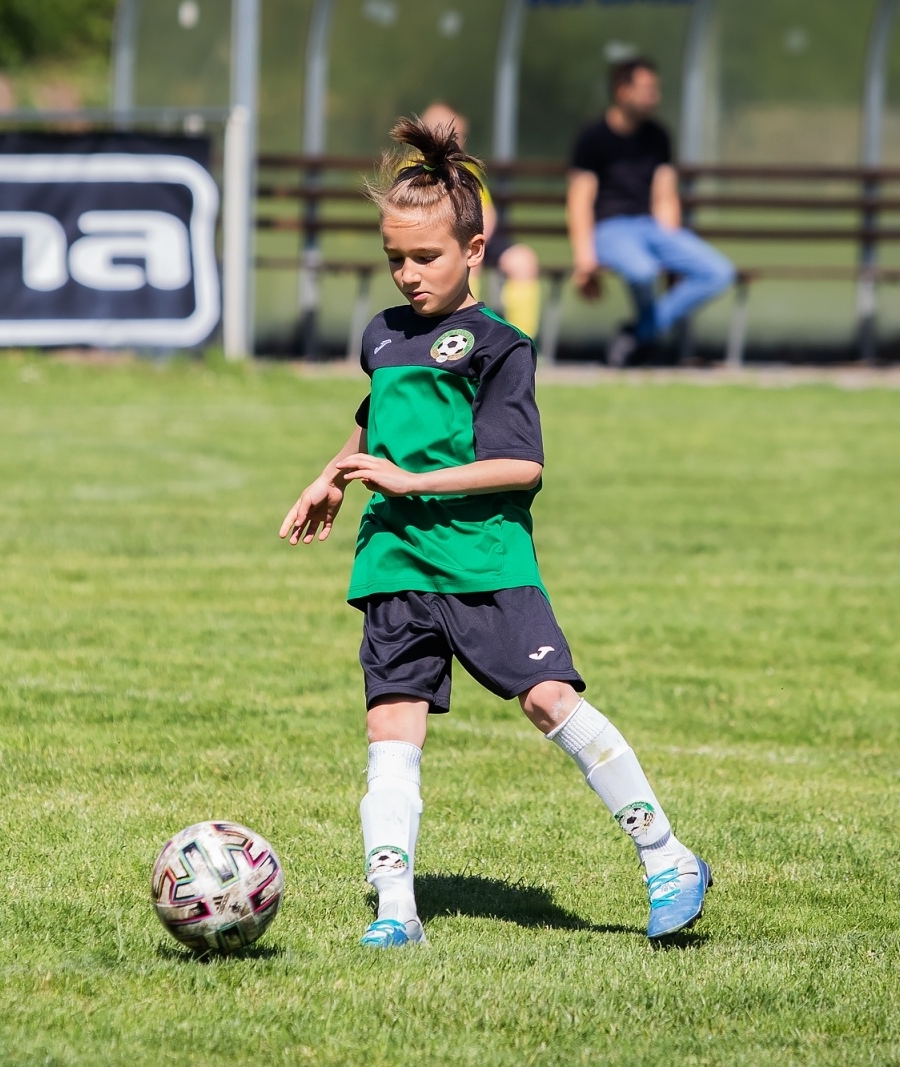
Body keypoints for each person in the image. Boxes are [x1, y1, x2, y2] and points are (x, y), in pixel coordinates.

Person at [279, 117, 710, 949]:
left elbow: (520, 466)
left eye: (425, 258)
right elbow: (377, 427)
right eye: (393, 258)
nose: (407, 274)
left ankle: (666, 855)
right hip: (396, 561)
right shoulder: (383, 336)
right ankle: (398, 910)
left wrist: (413, 480)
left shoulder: (499, 346)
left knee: (551, 701)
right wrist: (331, 473)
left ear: (474, 250)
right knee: (391, 731)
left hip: (485, 562)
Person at [568, 57, 734, 365]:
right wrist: (584, 259)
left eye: (655, 89)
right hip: (609, 229)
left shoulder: (658, 136)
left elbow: (665, 195)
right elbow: (580, 201)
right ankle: (645, 341)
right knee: (642, 271)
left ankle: (640, 334)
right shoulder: (592, 137)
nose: (654, 96)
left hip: (650, 228)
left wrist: (671, 247)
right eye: (646, 89)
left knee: (719, 272)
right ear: (622, 91)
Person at [418, 102, 542, 340]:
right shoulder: (416, 169)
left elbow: (487, 212)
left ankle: (521, 340)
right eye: (453, 136)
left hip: (478, 236)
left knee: (523, 260)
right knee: (467, 264)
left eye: (461, 136)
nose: (460, 142)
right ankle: (465, 334)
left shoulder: (466, 169)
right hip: (442, 240)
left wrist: (477, 239)